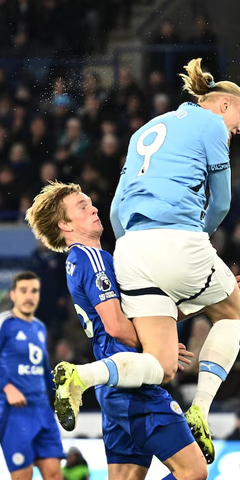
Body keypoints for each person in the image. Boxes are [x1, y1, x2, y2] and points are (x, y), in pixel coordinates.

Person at [24, 181, 215, 480]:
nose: (94, 209)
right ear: (65, 224)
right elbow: (116, 326)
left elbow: (140, 318)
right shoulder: (92, 258)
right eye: (82, 207)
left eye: (90, 203)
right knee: (194, 472)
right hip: (132, 384)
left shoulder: (83, 261)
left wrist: (204, 304)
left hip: (113, 388)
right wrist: (157, 348)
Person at [0, 271, 64, 480]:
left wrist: (59, 395)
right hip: (15, 412)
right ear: (12, 295)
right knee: (22, 476)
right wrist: (7, 387)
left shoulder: (39, 328)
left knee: (55, 474)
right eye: (23, 291)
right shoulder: (4, 324)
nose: (29, 297)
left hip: (42, 410)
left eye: (34, 291)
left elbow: (44, 370)